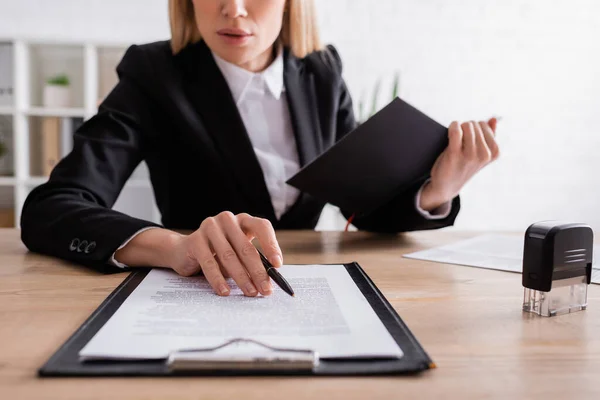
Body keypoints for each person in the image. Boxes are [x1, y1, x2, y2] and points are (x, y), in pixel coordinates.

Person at [20, 0, 499, 298]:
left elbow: (363, 205)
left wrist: (438, 188)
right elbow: (51, 208)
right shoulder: (152, 73)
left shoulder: (321, 70)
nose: (233, 8)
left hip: (305, 292)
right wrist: (174, 246)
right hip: (202, 292)